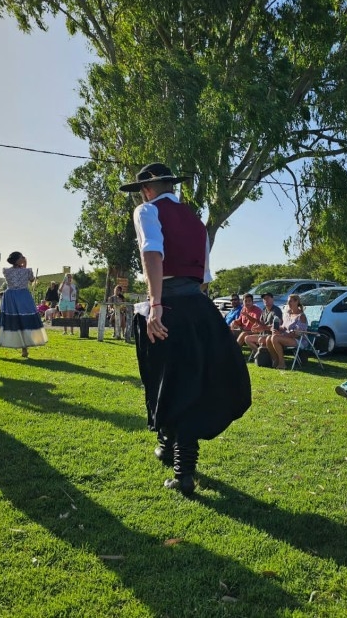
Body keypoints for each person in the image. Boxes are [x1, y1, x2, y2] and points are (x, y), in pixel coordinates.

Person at [121, 162, 251, 495]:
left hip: (169, 305)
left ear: (147, 189)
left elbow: (152, 253)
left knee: (171, 385)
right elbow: (204, 278)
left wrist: (156, 305)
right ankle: (166, 445)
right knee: (186, 382)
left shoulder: (146, 211)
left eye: (142, 191)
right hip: (197, 306)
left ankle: (184, 474)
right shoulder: (197, 222)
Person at [0, 251, 48, 358]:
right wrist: (25, 265)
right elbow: (32, 280)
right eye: (22, 257)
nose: (24, 258)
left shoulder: (7, 271)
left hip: (10, 296)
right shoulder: (27, 271)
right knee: (23, 321)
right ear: (18, 260)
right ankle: (24, 350)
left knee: (6, 322)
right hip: (22, 297)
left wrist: (24, 265)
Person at [265, 294, 308, 370]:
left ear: (297, 302)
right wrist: (276, 328)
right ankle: (276, 360)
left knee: (275, 338)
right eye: (288, 302)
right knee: (268, 338)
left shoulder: (301, 316)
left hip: (299, 340)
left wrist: (282, 335)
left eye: (290, 301)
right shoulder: (288, 314)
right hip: (287, 337)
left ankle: (282, 363)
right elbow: (284, 327)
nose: (288, 303)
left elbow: (297, 333)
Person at [243, 292, 283, 359]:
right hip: (263, 334)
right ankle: (260, 354)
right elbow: (260, 323)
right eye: (264, 298)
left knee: (261, 339)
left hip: (271, 336)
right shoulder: (264, 310)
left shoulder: (276, 310)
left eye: (267, 298)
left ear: (272, 299)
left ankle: (264, 355)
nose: (265, 300)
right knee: (247, 338)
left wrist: (263, 328)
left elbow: (276, 326)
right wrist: (256, 327)